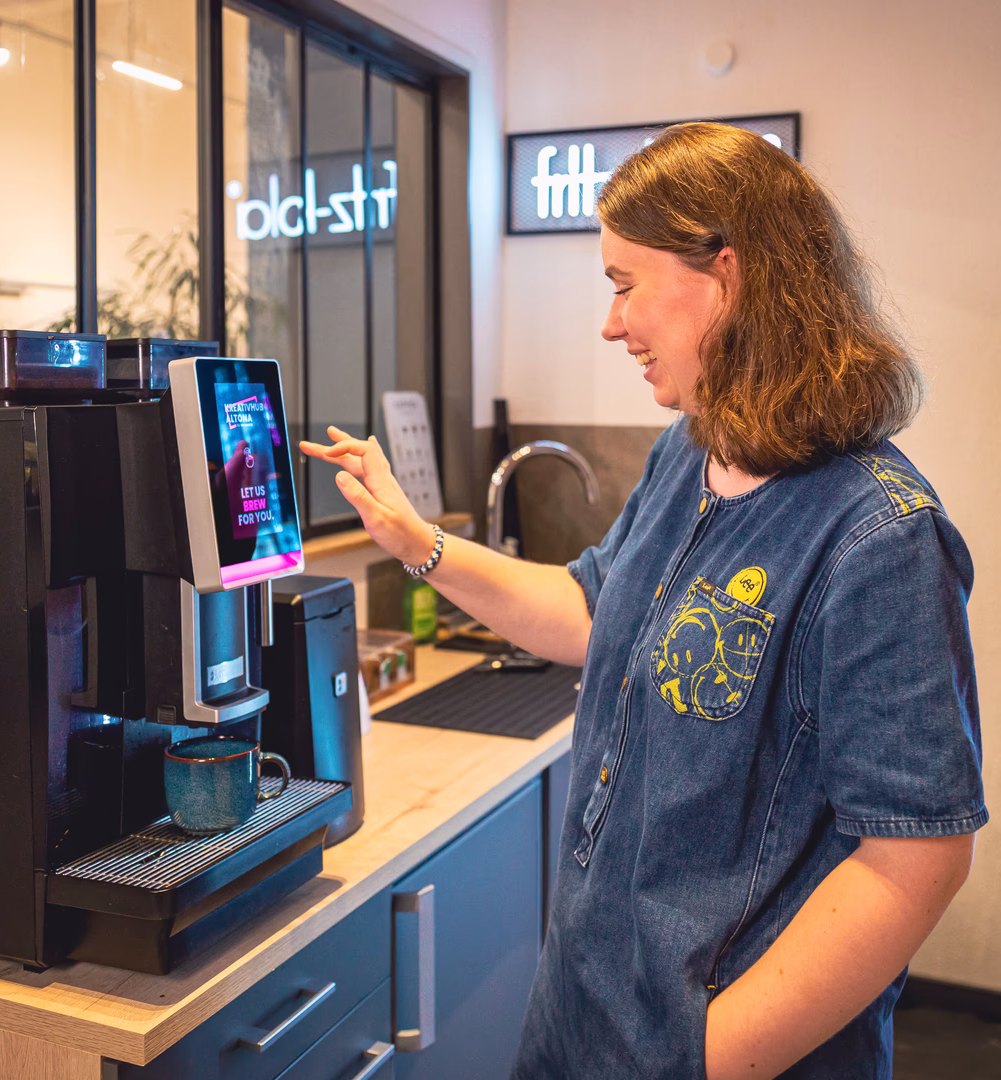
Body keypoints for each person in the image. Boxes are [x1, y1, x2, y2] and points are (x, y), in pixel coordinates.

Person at [300, 123, 986, 1080]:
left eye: (624, 284)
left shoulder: (879, 534)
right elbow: (590, 609)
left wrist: (708, 1054)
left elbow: (916, 857)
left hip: (712, 1050)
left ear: (732, 276)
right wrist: (418, 544)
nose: (611, 324)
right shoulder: (690, 453)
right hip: (580, 1009)